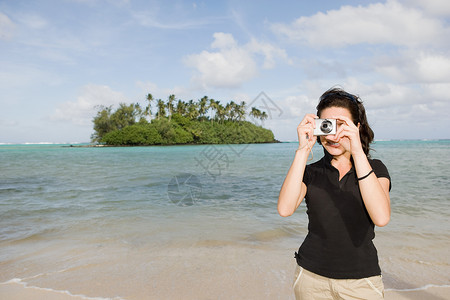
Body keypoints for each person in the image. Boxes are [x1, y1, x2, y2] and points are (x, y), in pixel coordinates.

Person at [278, 88, 391, 300]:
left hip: (361, 281)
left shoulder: (375, 169)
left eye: (342, 125)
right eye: (326, 125)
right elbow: (285, 209)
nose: (333, 135)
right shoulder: (310, 172)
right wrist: (303, 149)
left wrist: (357, 151)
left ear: (357, 127)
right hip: (310, 278)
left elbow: (382, 217)